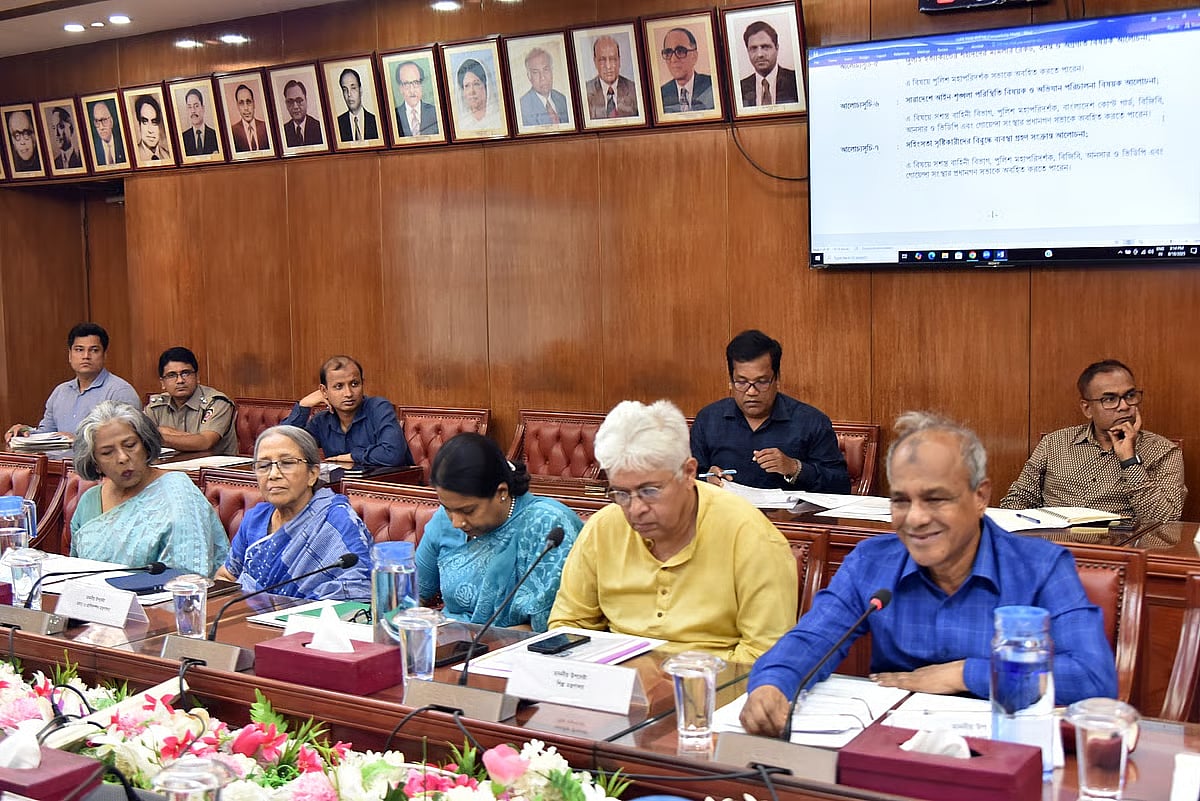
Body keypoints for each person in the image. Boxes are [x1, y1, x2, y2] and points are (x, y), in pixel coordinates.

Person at [739, 411, 1118, 737]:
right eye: (902, 501)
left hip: (1002, 756)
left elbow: (1093, 680)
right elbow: (811, 639)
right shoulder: (872, 562)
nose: (916, 519)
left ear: (980, 496)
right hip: (894, 753)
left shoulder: (1040, 567)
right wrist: (772, 684)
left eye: (936, 499)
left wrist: (963, 674)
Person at [549, 400, 797, 662]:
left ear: (689, 472)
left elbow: (765, 655)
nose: (635, 509)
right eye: (621, 493)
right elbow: (569, 626)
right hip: (615, 686)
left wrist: (678, 689)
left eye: (649, 491)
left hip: (711, 690)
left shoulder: (751, 537)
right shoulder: (603, 527)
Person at [416, 433, 583, 632]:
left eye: (468, 510)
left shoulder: (548, 525)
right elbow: (413, 596)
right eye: (447, 508)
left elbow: (551, 628)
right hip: (447, 646)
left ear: (501, 492)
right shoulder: (443, 521)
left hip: (516, 651)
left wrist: (475, 643)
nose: (456, 522)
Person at [1000, 359, 1186, 522]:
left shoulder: (1164, 452)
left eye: (1130, 396)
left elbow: (1165, 522)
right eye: (1110, 399)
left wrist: (1130, 460)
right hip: (1051, 547)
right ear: (1087, 408)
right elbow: (1018, 499)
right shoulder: (1054, 443)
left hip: (1117, 555)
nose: (1124, 406)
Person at [69, 401, 229, 576]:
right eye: (107, 453)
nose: (122, 458)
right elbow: (75, 572)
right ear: (95, 463)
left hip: (161, 600)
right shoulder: (89, 501)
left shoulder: (178, 493)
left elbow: (188, 577)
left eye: (130, 445)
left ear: (145, 445)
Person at [215, 426, 372, 600]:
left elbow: (360, 594)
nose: (273, 474)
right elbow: (226, 577)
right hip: (246, 621)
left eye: (287, 463)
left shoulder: (337, 520)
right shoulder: (255, 519)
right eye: (264, 465)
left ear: (313, 474)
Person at [691, 330, 850, 492]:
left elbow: (841, 485)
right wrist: (705, 479)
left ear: (777, 379)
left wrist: (795, 468)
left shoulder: (811, 421)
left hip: (788, 517)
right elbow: (685, 479)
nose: (751, 392)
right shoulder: (708, 419)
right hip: (726, 515)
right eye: (742, 382)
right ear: (730, 381)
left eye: (761, 382)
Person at [5, 322, 139, 444]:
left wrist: (79, 441)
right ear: (70, 355)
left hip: (95, 469)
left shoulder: (120, 391)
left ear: (104, 356)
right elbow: (47, 434)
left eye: (94, 350)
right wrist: (25, 432)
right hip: (55, 466)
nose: (86, 356)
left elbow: (128, 440)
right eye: (79, 350)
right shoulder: (60, 391)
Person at [281, 355, 411, 467]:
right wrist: (304, 405)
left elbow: (393, 454)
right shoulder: (321, 421)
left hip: (386, 491)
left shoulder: (379, 408)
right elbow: (282, 447)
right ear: (324, 391)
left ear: (362, 383)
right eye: (339, 387)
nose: (348, 393)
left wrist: (353, 456)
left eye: (354, 384)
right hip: (341, 491)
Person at [144, 347, 238, 455]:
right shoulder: (156, 406)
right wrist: (188, 439)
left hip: (212, 470)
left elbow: (205, 442)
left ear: (197, 377)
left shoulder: (217, 403)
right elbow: (139, 435)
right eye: (172, 375)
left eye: (185, 373)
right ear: (162, 383)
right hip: (169, 467)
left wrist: (157, 437)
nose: (180, 380)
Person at [739, 21, 799, 107]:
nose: (760, 54)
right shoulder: (740, 89)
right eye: (753, 48)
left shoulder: (795, 81)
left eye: (765, 47)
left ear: (777, 48)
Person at [659, 28, 713, 113]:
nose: (673, 59)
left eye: (680, 51)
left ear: (694, 56)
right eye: (668, 53)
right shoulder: (661, 95)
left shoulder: (711, 86)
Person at [585, 35, 638, 119]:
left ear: (619, 61)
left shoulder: (634, 90)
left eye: (613, 59)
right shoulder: (585, 92)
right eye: (602, 60)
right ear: (595, 62)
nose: (608, 66)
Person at [517, 47, 569, 127]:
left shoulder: (563, 99)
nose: (542, 77)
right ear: (529, 76)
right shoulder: (522, 108)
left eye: (546, 70)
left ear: (552, 71)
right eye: (536, 72)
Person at [393, 61, 439, 137]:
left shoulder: (435, 112)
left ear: (421, 85)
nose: (412, 90)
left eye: (416, 82)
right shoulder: (394, 116)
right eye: (406, 84)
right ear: (401, 88)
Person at [456, 59, 503, 133]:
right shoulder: (461, 124)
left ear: (486, 85)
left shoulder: (500, 118)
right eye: (467, 86)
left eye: (476, 84)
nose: (472, 91)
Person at [335, 67, 379, 143]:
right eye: (345, 90)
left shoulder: (375, 121)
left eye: (353, 88)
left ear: (360, 90)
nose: (349, 94)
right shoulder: (338, 124)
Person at [282, 80, 324, 147]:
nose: (295, 106)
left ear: (306, 100)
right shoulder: (282, 132)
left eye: (299, 101)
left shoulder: (320, 128)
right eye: (290, 101)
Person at [231, 84, 270, 152]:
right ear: (237, 106)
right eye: (241, 103)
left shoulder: (266, 127)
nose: (246, 108)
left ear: (254, 103)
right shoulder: (233, 132)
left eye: (248, 102)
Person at [133, 94, 172, 163]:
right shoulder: (134, 156)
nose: (150, 130)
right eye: (145, 122)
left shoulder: (168, 156)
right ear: (139, 124)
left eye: (154, 122)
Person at [181, 88, 219, 156]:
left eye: (196, 106)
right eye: (189, 107)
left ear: (203, 108)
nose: (193, 111)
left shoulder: (215, 135)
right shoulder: (183, 138)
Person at [90, 99, 126, 166]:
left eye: (104, 120)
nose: (101, 127)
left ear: (111, 122)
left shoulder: (123, 143)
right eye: (97, 121)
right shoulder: (92, 151)